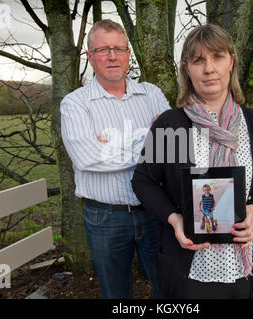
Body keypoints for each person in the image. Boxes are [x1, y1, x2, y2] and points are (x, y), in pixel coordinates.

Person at [131, 24, 253, 299]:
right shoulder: (172, 126)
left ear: (231, 62)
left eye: (217, 57)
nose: (209, 69)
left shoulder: (252, 123)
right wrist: (175, 219)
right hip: (190, 267)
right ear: (187, 69)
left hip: (246, 264)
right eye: (198, 60)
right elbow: (143, 181)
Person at [60, 19, 170, 299]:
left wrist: (111, 145)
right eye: (103, 49)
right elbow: (87, 158)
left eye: (118, 49)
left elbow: (171, 148)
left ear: (128, 54)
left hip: (154, 209)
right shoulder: (75, 103)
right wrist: (148, 143)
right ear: (90, 56)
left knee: (168, 286)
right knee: (115, 293)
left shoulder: (152, 94)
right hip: (104, 217)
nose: (112, 56)